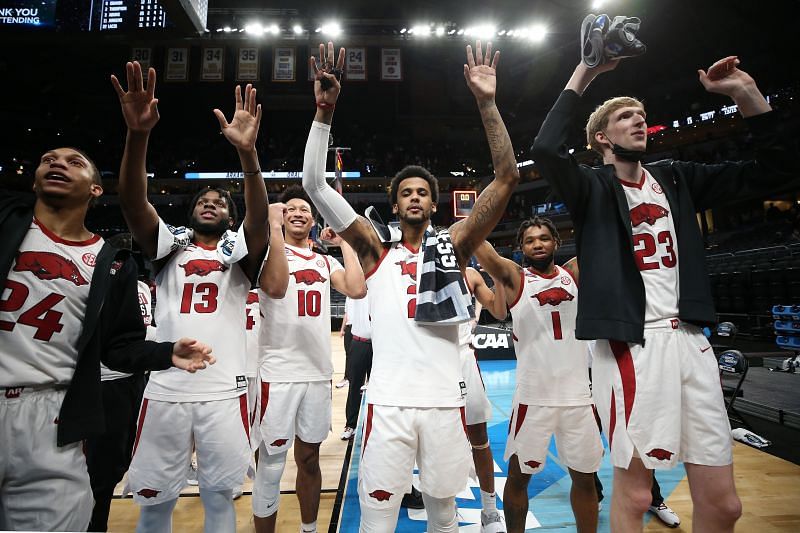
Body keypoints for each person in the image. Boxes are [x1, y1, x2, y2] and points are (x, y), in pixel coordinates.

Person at [531, 49, 794, 531]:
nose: (639, 121)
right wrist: (586, 70)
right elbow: (546, 149)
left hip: (692, 340)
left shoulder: (676, 178)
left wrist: (746, 94)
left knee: (726, 505)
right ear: (601, 138)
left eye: (642, 116)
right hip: (635, 342)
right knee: (633, 495)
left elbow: (775, 170)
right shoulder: (591, 187)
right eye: (625, 116)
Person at [302, 40, 520, 532]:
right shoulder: (374, 252)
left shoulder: (455, 248)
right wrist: (323, 113)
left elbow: (506, 177)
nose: (415, 196)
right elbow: (314, 185)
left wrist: (487, 103)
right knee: (378, 518)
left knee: (443, 516)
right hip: (388, 403)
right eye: (406, 193)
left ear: (434, 204)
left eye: (423, 191)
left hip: (446, 401)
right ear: (395, 206)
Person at [0, 147, 213, 531]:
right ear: (32, 181)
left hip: (56, 412)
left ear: (97, 189)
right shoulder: (8, 224)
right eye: (47, 159)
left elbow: (118, 346)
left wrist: (166, 352)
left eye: (74, 162)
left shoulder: (110, 260)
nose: (58, 164)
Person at [111, 61, 271, 533]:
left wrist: (249, 156)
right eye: (204, 199)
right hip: (164, 388)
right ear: (191, 209)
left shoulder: (239, 251)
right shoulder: (169, 245)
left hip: (225, 390)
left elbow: (260, 220)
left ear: (229, 216)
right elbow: (132, 203)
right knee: (155, 504)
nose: (211, 203)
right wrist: (137, 136)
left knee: (220, 500)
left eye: (221, 202)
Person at [474, 219, 603, 533]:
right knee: (519, 479)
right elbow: (484, 251)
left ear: (556, 242)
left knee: (586, 480)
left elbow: (604, 238)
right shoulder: (516, 279)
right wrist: (474, 220)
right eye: (530, 240)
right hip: (534, 398)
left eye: (544, 238)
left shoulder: (573, 273)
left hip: (579, 397)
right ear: (522, 248)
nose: (538, 244)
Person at [253, 185, 366, 533]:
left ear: (314, 220)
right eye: (291, 209)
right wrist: (270, 226)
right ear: (282, 217)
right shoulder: (267, 252)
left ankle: (310, 529)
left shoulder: (324, 260)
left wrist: (344, 241)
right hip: (277, 372)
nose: (298, 213)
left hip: (317, 373)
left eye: (305, 209)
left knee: (309, 459)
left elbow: (357, 288)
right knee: (270, 464)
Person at [86, 232, 158, 531]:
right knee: (99, 472)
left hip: (135, 377)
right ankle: (93, 522)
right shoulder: (94, 280)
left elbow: (146, 326)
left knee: (123, 459)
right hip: (104, 379)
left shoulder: (141, 286)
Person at [461, 261, 508, 532]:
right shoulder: (421, 267)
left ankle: (490, 512)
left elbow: (499, 311)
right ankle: (444, 507)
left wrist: (498, 276)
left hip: (464, 356)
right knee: (435, 440)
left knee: (480, 438)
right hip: (431, 361)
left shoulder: (470, 274)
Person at [341, 291, 371, 441]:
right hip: (359, 341)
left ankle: (376, 426)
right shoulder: (356, 290)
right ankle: (350, 425)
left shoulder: (384, 286)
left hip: (380, 343)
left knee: (379, 388)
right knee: (354, 386)